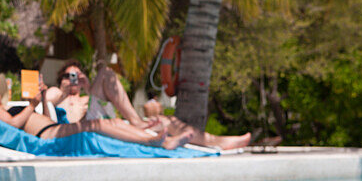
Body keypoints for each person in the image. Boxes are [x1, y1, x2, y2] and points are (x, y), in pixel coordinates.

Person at [49, 59, 251, 150]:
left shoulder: (88, 97)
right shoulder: (58, 92)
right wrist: (65, 90)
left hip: (109, 122)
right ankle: (137, 122)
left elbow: (103, 107)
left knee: (166, 120)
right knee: (105, 72)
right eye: (69, 75)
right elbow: (47, 102)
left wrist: (87, 88)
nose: (74, 79)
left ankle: (217, 141)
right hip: (83, 127)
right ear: (62, 78)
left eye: (77, 74)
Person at [0, 82, 193, 150]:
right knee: (95, 124)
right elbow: (13, 124)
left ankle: (147, 134)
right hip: (46, 134)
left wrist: (37, 98)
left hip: (49, 129)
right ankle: (152, 141)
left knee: (110, 122)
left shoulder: (3, 106)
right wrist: (32, 104)